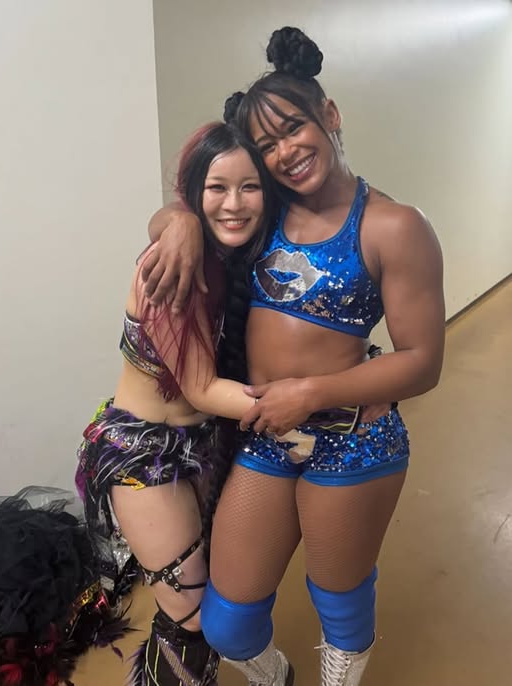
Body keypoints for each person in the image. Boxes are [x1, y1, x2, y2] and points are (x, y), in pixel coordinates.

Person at [144, 27, 445, 686]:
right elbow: (198, 203)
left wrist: (310, 393)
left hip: (353, 442)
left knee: (339, 604)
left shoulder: (393, 226)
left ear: (328, 115)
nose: (284, 153)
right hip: (268, 437)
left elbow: (423, 361)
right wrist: (181, 223)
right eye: (267, 145)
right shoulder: (266, 208)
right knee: (228, 623)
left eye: (293, 129)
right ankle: (274, 676)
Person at [75, 119, 285, 686]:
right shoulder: (170, 267)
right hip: (143, 457)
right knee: (189, 616)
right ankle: (270, 674)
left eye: (249, 187)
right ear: (194, 192)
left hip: (204, 444)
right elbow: (199, 387)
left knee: (213, 597)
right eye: (217, 188)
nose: (234, 204)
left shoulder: (238, 255)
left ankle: (266, 671)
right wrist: (316, 404)